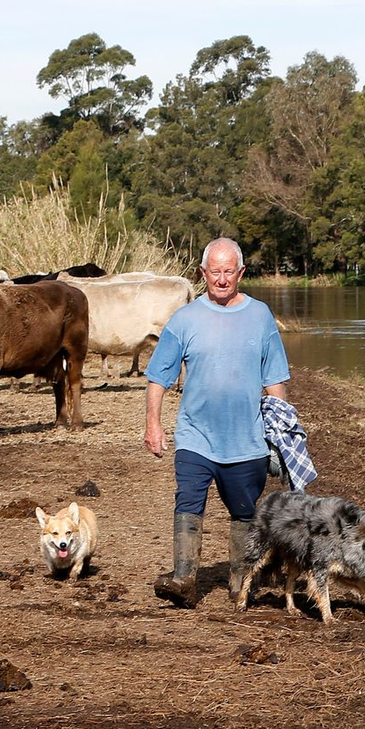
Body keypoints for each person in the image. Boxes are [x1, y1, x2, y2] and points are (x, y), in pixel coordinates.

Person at [143, 237, 290, 608]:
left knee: (243, 510)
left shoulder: (260, 316)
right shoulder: (185, 319)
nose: (221, 279)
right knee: (188, 499)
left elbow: (275, 379)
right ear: (202, 273)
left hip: (247, 440)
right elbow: (158, 376)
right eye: (214, 272)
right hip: (195, 436)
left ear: (240, 273)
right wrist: (153, 424)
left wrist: (283, 433)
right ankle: (184, 579)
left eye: (229, 272)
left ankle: (240, 582)